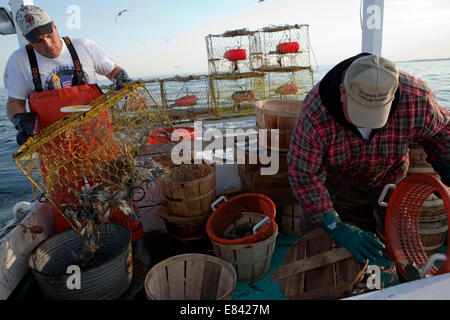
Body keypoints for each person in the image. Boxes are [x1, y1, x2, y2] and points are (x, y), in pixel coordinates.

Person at [4, 5, 150, 265]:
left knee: (116, 194)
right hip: (57, 153)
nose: (47, 43)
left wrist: (122, 78)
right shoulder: (20, 61)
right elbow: (14, 102)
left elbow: (114, 71)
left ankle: (136, 247)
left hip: (99, 142)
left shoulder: (84, 46)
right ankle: (87, 260)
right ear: (28, 41)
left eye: (48, 34)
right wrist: (20, 121)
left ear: (55, 26)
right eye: (37, 40)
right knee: (68, 205)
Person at [288, 53, 450, 266]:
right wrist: (335, 226)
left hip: (389, 174)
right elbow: (303, 174)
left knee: (401, 235)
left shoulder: (417, 97)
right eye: (361, 113)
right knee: (314, 234)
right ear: (343, 92)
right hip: (332, 177)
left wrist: (445, 164)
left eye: (377, 115)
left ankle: (400, 274)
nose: (369, 125)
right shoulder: (315, 111)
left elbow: (441, 132)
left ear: (393, 96)